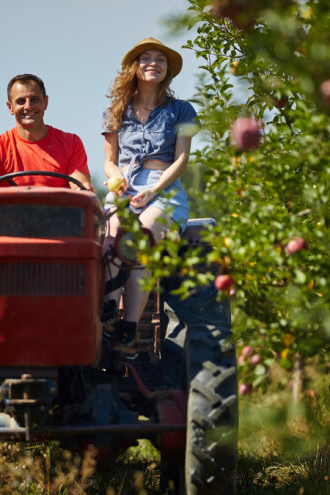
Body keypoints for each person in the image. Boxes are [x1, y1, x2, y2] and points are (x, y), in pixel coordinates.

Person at [101, 38, 198, 355]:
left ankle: (128, 330)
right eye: (146, 58)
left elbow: (182, 161)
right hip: (124, 183)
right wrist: (118, 184)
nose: (153, 63)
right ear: (135, 67)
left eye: (161, 59)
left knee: (143, 236)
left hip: (163, 184)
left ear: (168, 70)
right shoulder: (116, 110)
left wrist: (152, 191)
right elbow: (109, 161)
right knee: (111, 236)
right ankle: (107, 319)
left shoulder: (182, 110)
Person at [0, 74, 95, 192]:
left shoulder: (71, 142)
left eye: (34, 100)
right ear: (10, 107)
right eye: (21, 101)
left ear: (45, 102)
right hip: (10, 212)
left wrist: (83, 187)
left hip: (58, 212)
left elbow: (80, 184)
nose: (28, 106)